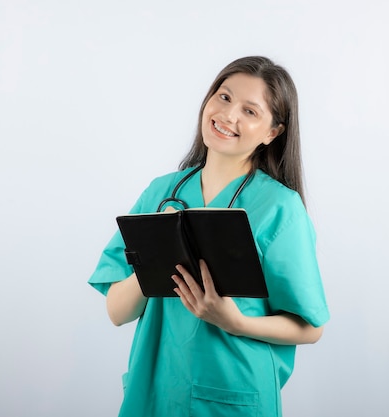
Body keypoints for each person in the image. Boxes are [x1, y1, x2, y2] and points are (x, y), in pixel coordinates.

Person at [89, 56, 329, 417]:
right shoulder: (160, 194)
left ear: (272, 132)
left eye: (250, 111)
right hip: (156, 391)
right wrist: (157, 253)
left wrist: (234, 321)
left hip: (234, 395)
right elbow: (116, 311)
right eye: (225, 97)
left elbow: (310, 327)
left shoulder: (279, 208)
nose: (229, 116)